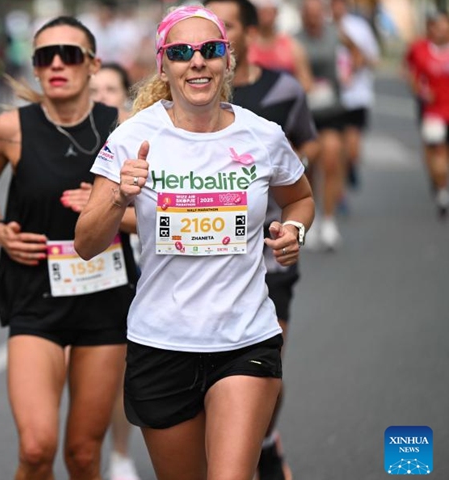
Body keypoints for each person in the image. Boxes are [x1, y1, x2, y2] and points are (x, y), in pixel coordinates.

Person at [74, 6, 315, 480]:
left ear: (229, 60)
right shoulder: (133, 137)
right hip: (161, 342)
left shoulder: (262, 135)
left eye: (211, 50)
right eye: (182, 52)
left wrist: (295, 231)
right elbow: (86, 242)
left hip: (245, 338)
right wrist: (119, 194)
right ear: (163, 64)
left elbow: (300, 197)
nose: (197, 61)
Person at [0, 15, 139, 480]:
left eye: (70, 54)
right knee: (37, 446)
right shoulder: (10, 129)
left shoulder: (125, 129)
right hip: (34, 296)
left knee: (83, 455)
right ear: (36, 67)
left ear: (93, 64)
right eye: (46, 56)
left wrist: (106, 208)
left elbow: (157, 218)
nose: (57, 64)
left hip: (104, 300)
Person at [204, 2, 317, 479]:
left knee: (265, 365)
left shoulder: (282, 90)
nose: (217, 38)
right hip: (201, 262)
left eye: (225, 27)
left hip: (266, 260)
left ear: (250, 32)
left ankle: (263, 440)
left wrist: (287, 220)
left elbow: (303, 153)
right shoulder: (190, 95)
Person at [90, 61, 142, 480]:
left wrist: (110, 209)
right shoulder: (69, 144)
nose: (101, 97)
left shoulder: (138, 141)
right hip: (70, 270)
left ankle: (121, 453)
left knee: (120, 368)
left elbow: (161, 216)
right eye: (95, 90)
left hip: (125, 268)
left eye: (110, 89)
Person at [297, 0, 349, 250]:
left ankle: (329, 220)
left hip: (331, 110)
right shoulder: (294, 40)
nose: (314, 18)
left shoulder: (335, 35)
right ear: (302, 16)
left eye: (318, 14)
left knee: (330, 159)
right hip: (303, 113)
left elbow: (354, 56)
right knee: (307, 168)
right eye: (309, 14)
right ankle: (313, 218)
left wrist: (349, 73)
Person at [404, 9, 449, 218]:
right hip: (433, 111)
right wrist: (421, 91)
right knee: (436, 151)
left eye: (445, 25)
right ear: (430, 28)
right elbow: (409, 72)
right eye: (438, 25)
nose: (443, 29)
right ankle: (441, 189)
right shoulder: (419, 49)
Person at [331, 0, 379, 191]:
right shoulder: (324, 26)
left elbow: (373, 58)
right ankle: (338, 192)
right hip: (332, 99)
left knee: (351, 149)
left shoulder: (359, 27)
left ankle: (350, 167)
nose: (337, 7)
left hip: (356, 96)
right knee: (334, 150)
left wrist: (356, 61)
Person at [248, 0, 312, 92]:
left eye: (269, 12)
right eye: (263, 12)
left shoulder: (292, 46)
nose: (266, 16)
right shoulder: (247, 47)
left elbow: (306, 83)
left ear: (276, 13)